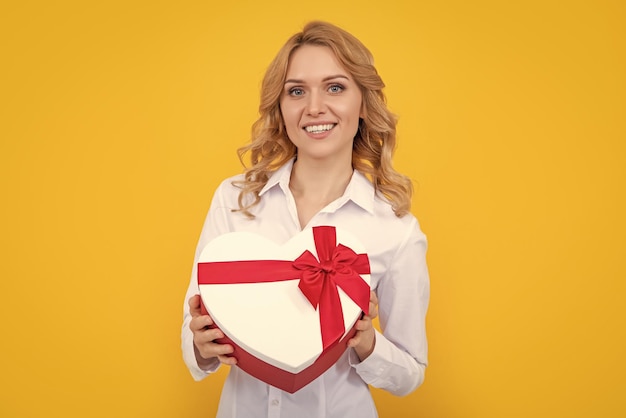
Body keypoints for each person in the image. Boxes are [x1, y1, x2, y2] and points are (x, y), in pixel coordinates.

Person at [182, 21, 430, 418]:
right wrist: (201, 343)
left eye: (335, 87)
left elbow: (410, 374)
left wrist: (366, 343)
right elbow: (193, 331)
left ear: (363, 103)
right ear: (280, 107)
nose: (314, 107)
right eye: (296, 91)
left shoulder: (395, 230)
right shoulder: (234, 200)